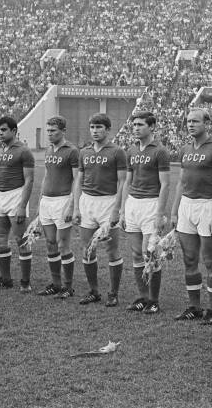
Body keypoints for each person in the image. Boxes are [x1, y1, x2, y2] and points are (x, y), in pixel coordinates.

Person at [171, 108, 212, 325]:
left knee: (210, 261)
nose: (191, 124)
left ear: (206, 123)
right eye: (188, 121)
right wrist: (174, 211)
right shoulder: (185, 148)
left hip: (208, 205)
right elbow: (180, 181)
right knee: (189, 259)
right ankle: (194, 307)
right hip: (187, 205)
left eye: (195, 121)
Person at [73, 113, 127, 306]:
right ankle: (93, 291)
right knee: (87, 249)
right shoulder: (84, 152)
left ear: (108, 129)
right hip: (87, 202)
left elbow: (122, 182)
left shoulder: (117, 152)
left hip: (108, 203)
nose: (95, 131)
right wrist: (76, 207)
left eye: (99, 127)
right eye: (92, 127)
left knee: (111, 250)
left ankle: (113, 293)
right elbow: (79, 180)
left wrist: (117, 210)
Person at [120, 111, 171, 314]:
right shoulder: (131, 150)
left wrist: (160, 213)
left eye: (140, 124)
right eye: (134, 125)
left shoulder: (160, 151)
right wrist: (123, 210)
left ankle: (154, 300)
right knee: (135, 254)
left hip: (151, 203)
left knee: (149, 253)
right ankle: (142, 297)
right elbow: (127, 182)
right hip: (133, 204)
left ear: (151, 127)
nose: (136, 128)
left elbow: (166, 184)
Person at [0, 116, 35, 291]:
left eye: (4, 130)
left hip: (16, 197)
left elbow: (29, 180)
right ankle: (6, 279)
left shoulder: (23, 151)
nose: (0, 133)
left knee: (21, 240)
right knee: (1, 239)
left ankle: (25, 282)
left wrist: (22, 206)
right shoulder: (0, 149)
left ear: (14, 131)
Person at [35, 116, 79, 298]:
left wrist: (72, 205)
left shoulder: (72, 151)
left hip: (63, 201)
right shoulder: (48, 151)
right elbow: (46, 177)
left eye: (53, 131)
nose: (50, 134)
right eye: (48, 131)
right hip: (47, 201)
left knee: (63, 245)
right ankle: (56, 283)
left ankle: (68, 287)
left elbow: (77, 180)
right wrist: (39, 202)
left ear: (63, 131)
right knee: (50, 243)